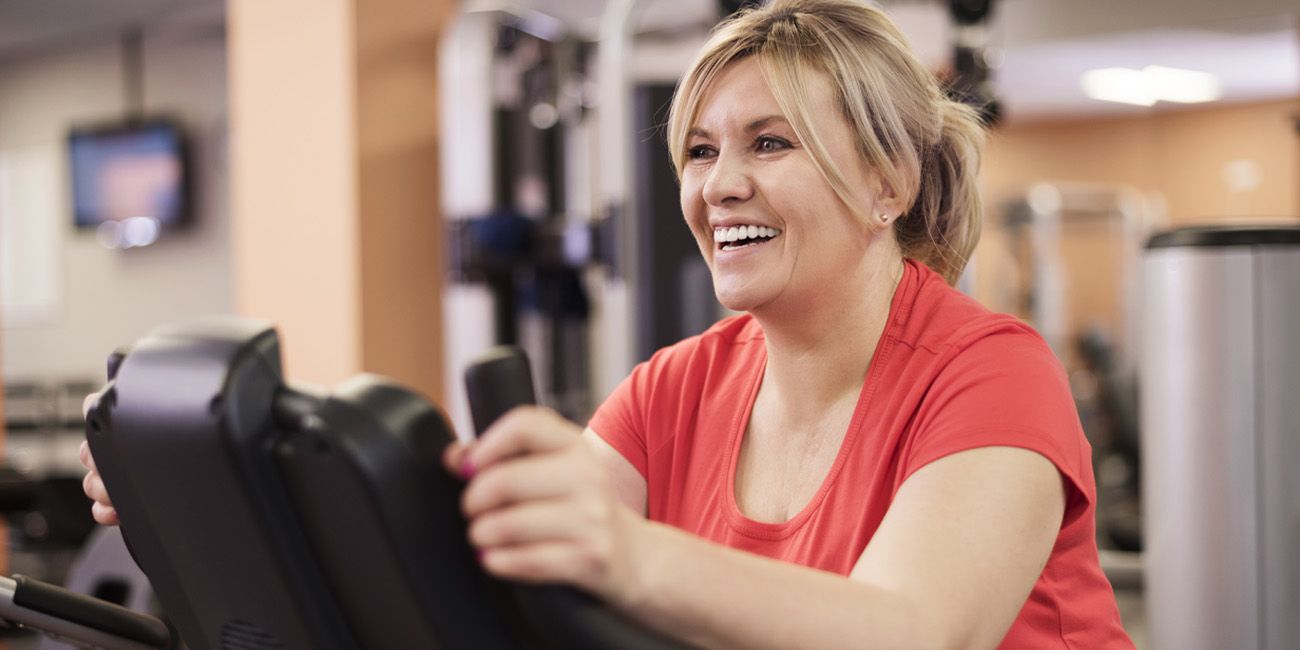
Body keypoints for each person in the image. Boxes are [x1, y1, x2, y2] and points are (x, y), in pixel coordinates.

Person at [82, 1, 1134, 647]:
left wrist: (629, 557)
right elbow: (469, 563)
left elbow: (912, 630)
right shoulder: (673, 387)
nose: (720, 184)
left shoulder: (987, 370)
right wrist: (215, 490)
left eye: (770, 143)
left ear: (886, 183)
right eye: (700, 151)